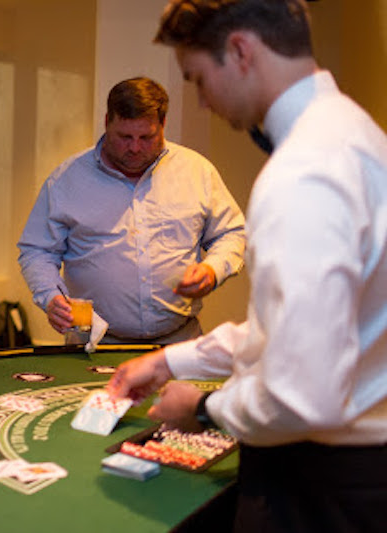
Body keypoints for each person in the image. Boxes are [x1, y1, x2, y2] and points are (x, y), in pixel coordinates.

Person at [108, 1, 387, 531]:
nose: (203, 100)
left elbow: (305, 396)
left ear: (239, 51)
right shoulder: (356, 134)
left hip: (321, 486)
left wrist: (204, 410)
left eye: (197, 78)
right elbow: (290, 329)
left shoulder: (305, 171)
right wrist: (172, 362)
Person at [18, 77, 245, 344]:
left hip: (178, 342)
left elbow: (231, 233)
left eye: (146, 137)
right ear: (106, 122)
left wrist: (212, 269)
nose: (135, 148)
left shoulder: (197, 172)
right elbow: (37, 250)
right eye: (124, 137)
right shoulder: (67, 180)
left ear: (163, 125)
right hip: (95, 344)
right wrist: (51, 296)